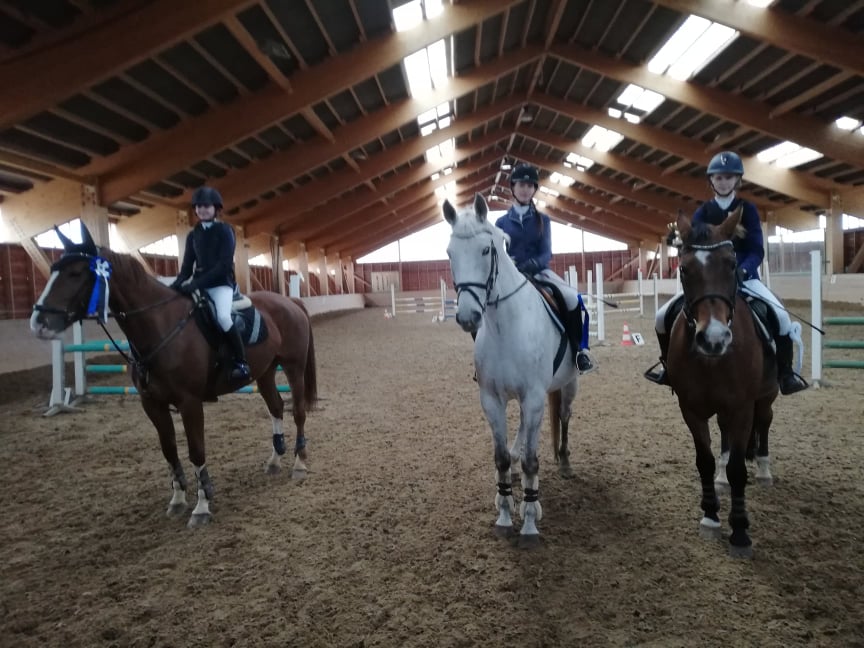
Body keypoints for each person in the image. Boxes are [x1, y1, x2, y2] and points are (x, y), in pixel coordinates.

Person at [644, 151, 808, 395]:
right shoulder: (703, 212)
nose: (723, 182)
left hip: (745, 277)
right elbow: (693, 246)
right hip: (708, 281)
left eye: (728, 177)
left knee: (782, 317)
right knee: (661, 317)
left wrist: (743, 269)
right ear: (711, 181)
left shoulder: (748, 210)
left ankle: (785, 374)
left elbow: (756, 249)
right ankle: (669, 368)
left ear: (737, 180)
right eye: (718, 178)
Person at [494, 163, 596, 374]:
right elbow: (497, 252)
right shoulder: (501, 222)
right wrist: (509, 265)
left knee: (573, 299)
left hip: (539, 272)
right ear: (513, 187)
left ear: (534, 189)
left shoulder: (543, 220)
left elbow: (546, 252)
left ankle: (580, 350)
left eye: (530, 186)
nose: (525, 189)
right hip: (511, 275)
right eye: (521, 185)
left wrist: (532, 264)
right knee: (486, 303)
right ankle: (486, 359)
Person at [171, 186, 250, 382]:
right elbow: (187, 267)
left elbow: (224, 265)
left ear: (216, 208)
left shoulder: (225, 231)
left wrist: (196, 284)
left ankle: (241, 362)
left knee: (223, 317)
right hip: (199, 284)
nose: (201, 210)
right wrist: (175, 285)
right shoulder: (193, 235)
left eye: (206, 206)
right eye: (198, 207)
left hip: (221, 285)